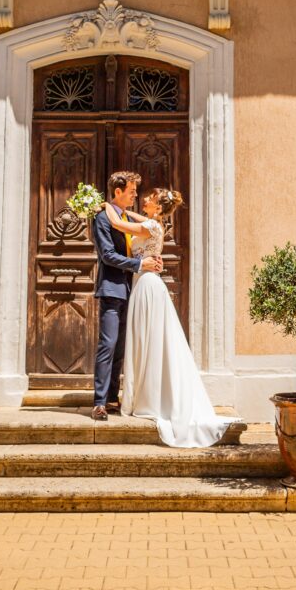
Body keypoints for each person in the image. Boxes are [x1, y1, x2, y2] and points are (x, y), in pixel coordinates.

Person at [102, 188, 240, 447]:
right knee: (149, 340)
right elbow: (130, 216)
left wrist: (105, 205)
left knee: (148, 341)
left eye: (149, 199)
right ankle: (147, 393)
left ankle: (150, 398)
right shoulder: (154, 223)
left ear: (156, 207)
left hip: (146, 285)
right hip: (146, 282)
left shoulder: (151, 226)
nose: (143, 199)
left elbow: (118, 223)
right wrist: (123, 208)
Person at [90, 171, 163, 421]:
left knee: (120, 347)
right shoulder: (102, 218)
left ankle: (112, 398)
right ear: (118, 191)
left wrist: (148, 261)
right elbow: (107, 255)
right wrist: (141, 265)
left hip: (132, 290)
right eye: (131, 191)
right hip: (112, 288)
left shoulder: (121, 216)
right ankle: (99, 402)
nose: (135, 194)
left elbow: (136, 248)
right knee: (107, 345)